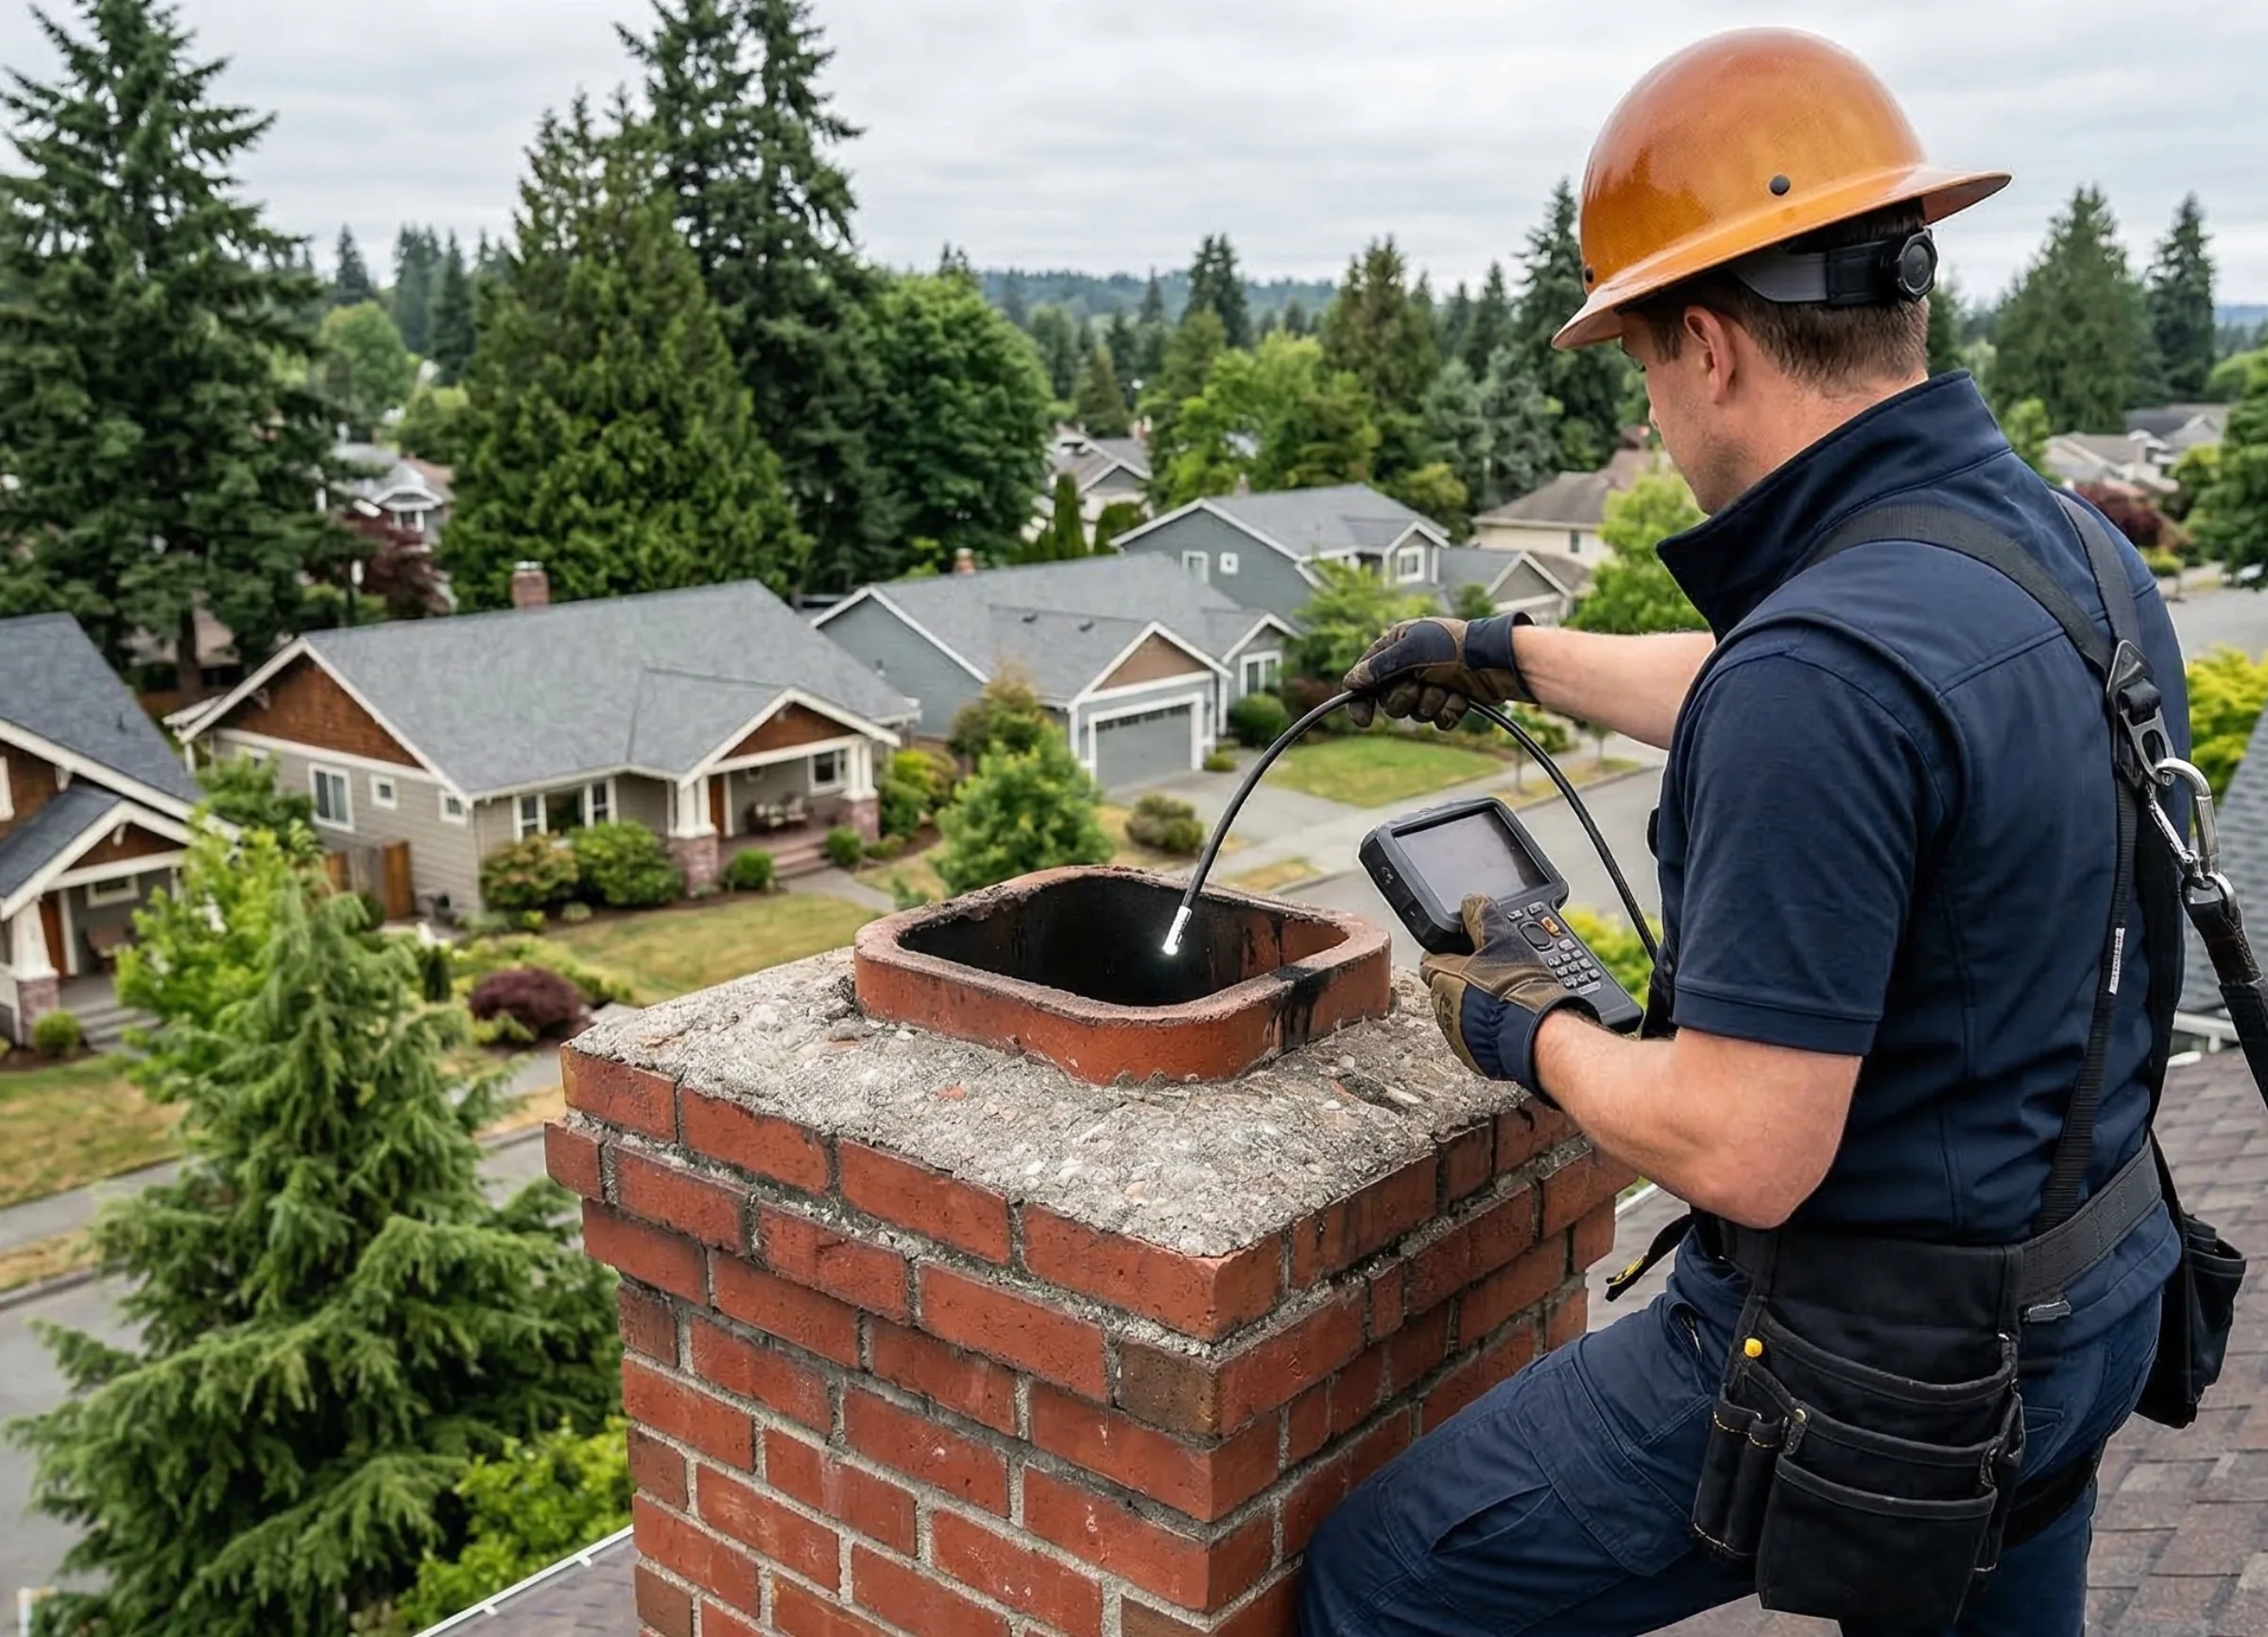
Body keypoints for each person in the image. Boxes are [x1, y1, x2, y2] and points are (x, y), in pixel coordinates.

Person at [1299, 27, 2186, 1637]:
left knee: (1384, 1581)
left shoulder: (1826, 670)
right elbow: (1840, 697)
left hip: (1869, 1376)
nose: (1654, 395)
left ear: (1708, 347)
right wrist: (1508, 653)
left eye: (1641, 359)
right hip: (2088, 1297)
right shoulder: (2056, 547)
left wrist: (1530, 1027)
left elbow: (1743, 1148)